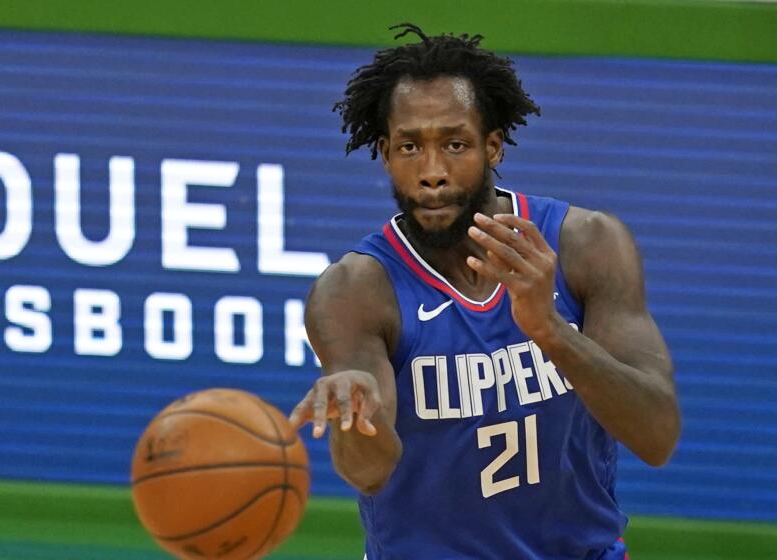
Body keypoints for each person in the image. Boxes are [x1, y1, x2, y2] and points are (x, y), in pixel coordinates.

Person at [289, 23, 680, 560]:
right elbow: (370, 470)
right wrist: (355, 416)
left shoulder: (586, 245)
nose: (432, 173)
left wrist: (551, 332)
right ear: (384, 153)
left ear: (492, 145)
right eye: (409, 147)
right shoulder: (356, 291)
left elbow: (657, 435)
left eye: (454, 144)